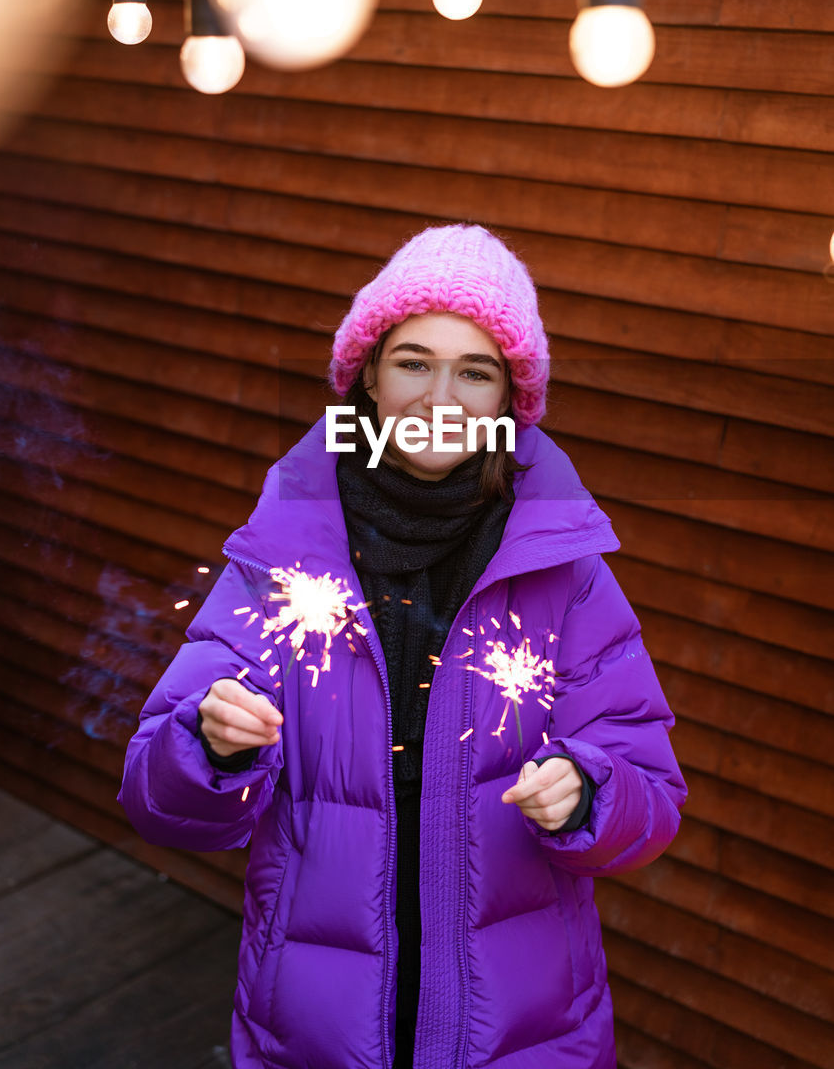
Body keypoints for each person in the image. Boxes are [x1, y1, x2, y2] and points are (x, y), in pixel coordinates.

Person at [118, 223, 687, 1069]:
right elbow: (157, 797)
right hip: (311, 1027)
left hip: (525, 1034)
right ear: (368, 380)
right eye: (414, 361)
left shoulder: (565, 575)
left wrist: (589, 794)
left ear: (509, 404)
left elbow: (650, 799)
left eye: (477, 370)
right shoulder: (280, 557)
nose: (441, 396)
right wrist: (207, 746)